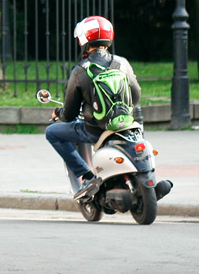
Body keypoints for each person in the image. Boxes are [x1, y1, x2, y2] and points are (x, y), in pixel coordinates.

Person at [45, 15, 141, 199]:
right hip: (126, 126)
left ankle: (87, 176)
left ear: (83, 39)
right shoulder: (123, 63)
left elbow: (70, 114)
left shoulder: (81, 70)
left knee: (52, 133)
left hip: (95, 130)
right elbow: (135, 97)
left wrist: (59, 112)